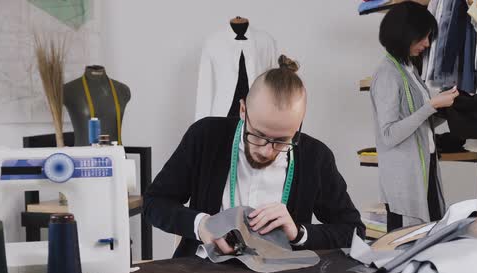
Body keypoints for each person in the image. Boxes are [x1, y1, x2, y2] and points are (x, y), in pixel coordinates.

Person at [144, 55, 365, 257]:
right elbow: (155, 204)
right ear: (242, 110)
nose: (266, 150)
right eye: (258, 136)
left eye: (281, 140)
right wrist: (201, 224)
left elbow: (353, 231)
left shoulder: (316, 157)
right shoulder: (206, 136)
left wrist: (298, 233)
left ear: (298, 126)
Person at [370, 2, 459, 232]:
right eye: (422, 37)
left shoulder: (409, 68)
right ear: (404, 35)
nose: (427, 44)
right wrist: (430, 106)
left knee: (429, 237)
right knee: (406, 246)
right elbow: (389, 134)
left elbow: (419, 124)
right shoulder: (388, 74)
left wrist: (446, 109)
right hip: (404, 181)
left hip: (423, 170)